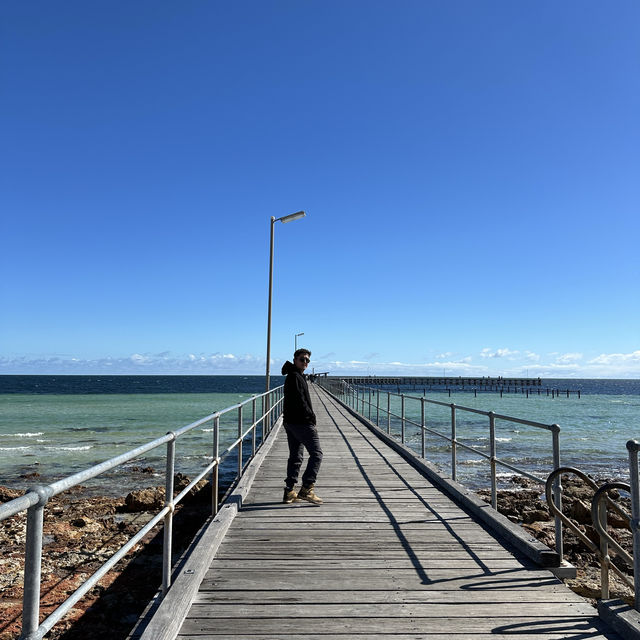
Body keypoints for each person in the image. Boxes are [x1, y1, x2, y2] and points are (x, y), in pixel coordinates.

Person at [281, 348, 323, 504]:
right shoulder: (295, 377)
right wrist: (311, 420)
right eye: (302, 359)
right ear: (295, 360)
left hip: (290, 422)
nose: (305, 362)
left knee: (296, 457)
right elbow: (301, 402)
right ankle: (307, 488)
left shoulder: (296, 376)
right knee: (317, 454)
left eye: (307, 360)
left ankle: (289, 491)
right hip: (301, 422)